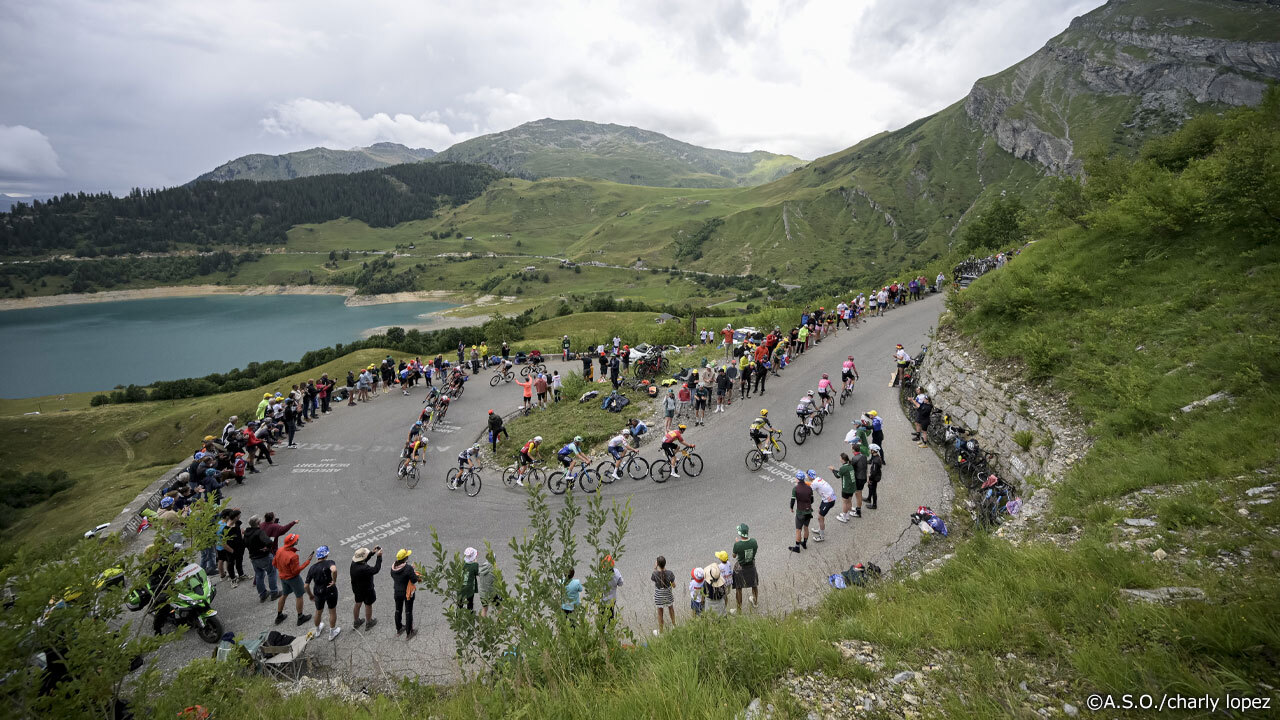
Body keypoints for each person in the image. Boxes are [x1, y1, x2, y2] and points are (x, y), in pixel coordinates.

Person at [272, 533, 313, 627]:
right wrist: (307, 562)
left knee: (284, 595)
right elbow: (295, 571)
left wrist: (283, 570)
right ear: (293, 543)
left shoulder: (279, 550)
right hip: (293, 579)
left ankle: (279, 615)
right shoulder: (293, 556)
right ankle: (300, 617)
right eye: (296, 540)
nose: (297, 540)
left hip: (283, 577)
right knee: (299, 596)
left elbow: (274, 563)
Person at [305, 545, 341, 641]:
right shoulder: (329, 562)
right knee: (332, 611)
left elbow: (306, 585)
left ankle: (317, 630)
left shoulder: (312, 568)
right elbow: (334, 570)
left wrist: (310, 595)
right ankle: (332, 632)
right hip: (330, 590)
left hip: (318, 592)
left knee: (318, 612)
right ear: (326, 555)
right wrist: (334, 580)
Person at [350, 546, 382, 631]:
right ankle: (369, 622)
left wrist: (372, 553)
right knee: (368, 604)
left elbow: (363, 560)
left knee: (358, 603)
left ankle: (356, 621)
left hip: (357, 588)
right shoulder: (365, 568)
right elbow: (376, 569)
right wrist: (379, 557)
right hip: (367, 589)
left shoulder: (354, 563)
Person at [390, 549, 419, 639]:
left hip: (397, 592)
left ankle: (399, 628)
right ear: (405, 558)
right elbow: (414, 579)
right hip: (407, 592)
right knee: (408, 611)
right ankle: (409, 632)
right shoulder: (408, 568)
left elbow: (394, 575)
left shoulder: (393, 567)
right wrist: (413, 570)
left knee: (398, 610)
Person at [731, 523, 759, 610]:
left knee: (739, 587)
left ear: (740, 533)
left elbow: (734, 556)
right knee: (754, 584)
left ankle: (739, 609)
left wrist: (737, 543)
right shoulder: (754, 542)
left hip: (741, 568)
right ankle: (755, 602)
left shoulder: (738, 545)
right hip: (751, 566)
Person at [789, 471, 814, 553]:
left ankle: (797, 548)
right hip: (808, 511)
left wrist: (791, 508)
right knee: (806, 527)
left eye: (796, 477)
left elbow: (793, 500)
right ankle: (804, 543)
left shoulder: (795, 489)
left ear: (798, 479)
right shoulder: (809, 488)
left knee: (798, 530)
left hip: (800, 512)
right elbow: (812, 500)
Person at [809, 469, 837, 541]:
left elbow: (808, 490)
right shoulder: (818, 478)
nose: (807, 477)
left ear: (810, 476)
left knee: (820, 517)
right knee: (819, 512)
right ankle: (820, 529)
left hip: (829, 501)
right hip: (827, 498)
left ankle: (821, 537)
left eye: (807, 475)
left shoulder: (814, 483)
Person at [651, 556, 676, 635]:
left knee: (660, 612)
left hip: (659, 596)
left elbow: (653, 578)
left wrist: (655, 568)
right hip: (668, 595)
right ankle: (674, 625)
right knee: (671, 608)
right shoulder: (670, 573)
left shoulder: (655, 573)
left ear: (657, 564)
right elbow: (674, 585)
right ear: (665, 563)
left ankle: (661, 631)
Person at [601, 555, 623, 621]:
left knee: (602, 617)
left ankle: (602, 627)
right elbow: (621, 583)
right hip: (612, 599)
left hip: (602, 600)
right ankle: (611, 626)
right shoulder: (616, 572)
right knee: (611, 615)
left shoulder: (601, 574)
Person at [459, 547, 480, 612]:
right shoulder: (474, 565)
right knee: (470, 603)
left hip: (461, 586)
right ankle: (470, 615)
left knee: (460, 603)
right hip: (470, 587)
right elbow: (477, 573)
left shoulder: (462, 564)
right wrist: (476, 563)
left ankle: (458, 615)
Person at [866, 444, 884, 510]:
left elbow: (874, 472)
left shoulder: (876, 461)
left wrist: (870, 478)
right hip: (876, 475)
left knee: (873, 491)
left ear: (873, 451)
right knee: (870, 487)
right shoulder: (876, 457)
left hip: (874, 478)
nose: (869, 450)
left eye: (870, 450)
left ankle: (874, 505)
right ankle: (868, 498)